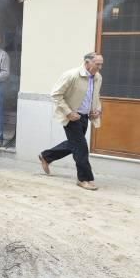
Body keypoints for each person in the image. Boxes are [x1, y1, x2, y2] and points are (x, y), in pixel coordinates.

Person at [39, 53, 104, 191]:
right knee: (81, 148)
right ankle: (84, 179)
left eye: (101, 64)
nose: (100, 67)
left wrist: (97, 109)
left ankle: (46, 156)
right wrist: (68, 112)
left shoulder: (98, 77)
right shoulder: (72, 75)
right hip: (72, 117)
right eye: (97, 64)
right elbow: (55, 94)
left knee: (74, 144)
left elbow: (96, 96)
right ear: (87, 62)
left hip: (85, 117)